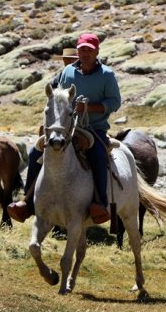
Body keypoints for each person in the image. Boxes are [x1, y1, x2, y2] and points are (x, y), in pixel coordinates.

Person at [8, 33, 121, 225]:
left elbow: (115, 102)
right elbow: (59, 97)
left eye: (89, 50)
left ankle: (100, 203)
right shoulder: (68, 71)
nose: (85, 53)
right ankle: (27, 202)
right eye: (82, 49)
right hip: (67, 127)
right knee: (36, 151)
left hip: (94, 128)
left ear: (97, 52)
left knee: (98, 154)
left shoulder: (107, 75)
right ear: (78, 50)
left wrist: (88, 107)